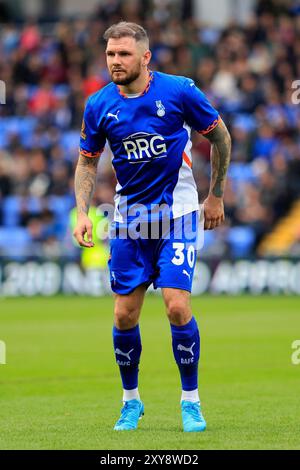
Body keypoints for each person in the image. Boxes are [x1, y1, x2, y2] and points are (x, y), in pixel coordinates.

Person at [73, 21, 231, 432]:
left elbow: (221, 138)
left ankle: (191, 401)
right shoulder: (99, 105)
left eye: (124, 54)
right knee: (124, 316)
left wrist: (214, 195)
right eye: (110, 54)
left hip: (177, 215)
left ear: (145, 57)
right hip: (129, 221)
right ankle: (131, 401)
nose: (115, 61)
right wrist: (84, 212)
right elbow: (87, 161)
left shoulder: (178, 91)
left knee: (177, 306)